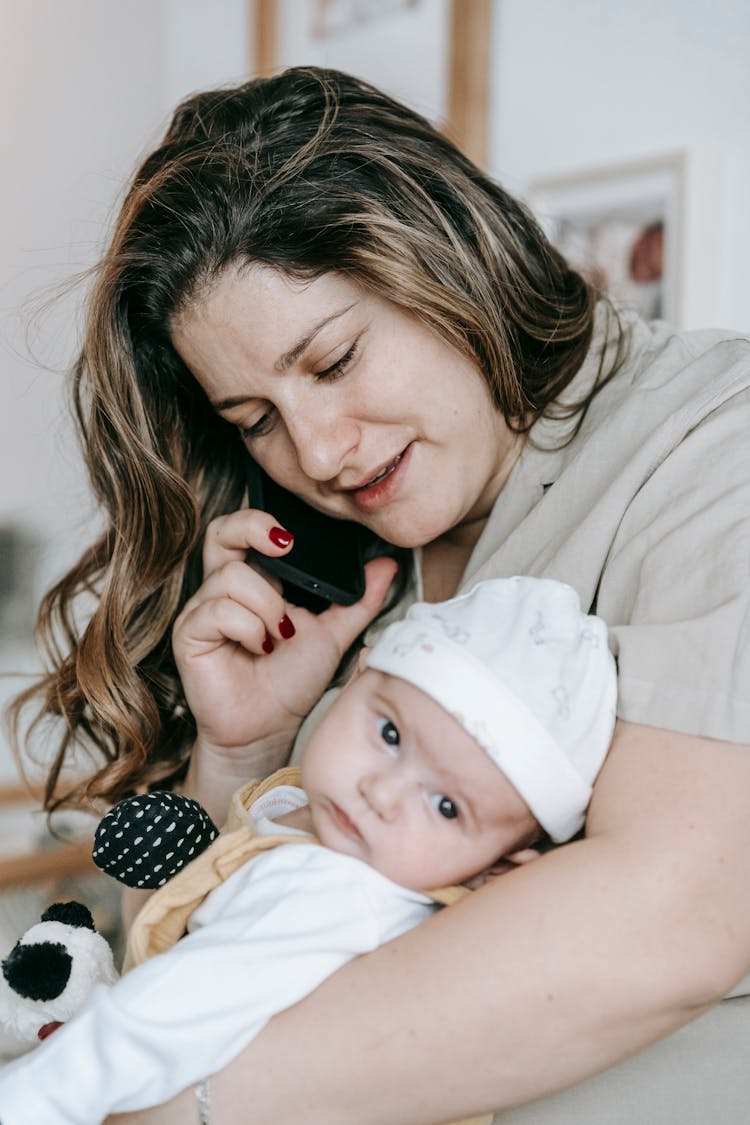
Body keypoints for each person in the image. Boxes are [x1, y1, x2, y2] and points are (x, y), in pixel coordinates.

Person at [8, 66, 750, 1125]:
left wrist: (175, 1108)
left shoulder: (715, 442)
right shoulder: (338, 575)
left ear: (445, 256)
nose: (316, 452)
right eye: (253, 417)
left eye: (336, 360)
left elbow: (678, 915)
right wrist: (244, 751)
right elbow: (202, 956)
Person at [0, 578, 617, 1124]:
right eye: (391, 734)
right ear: (359, 674)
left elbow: (160, 1018)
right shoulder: (308, 822)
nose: (381, 792)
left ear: (499, 870)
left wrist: (29, 1098)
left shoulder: (339, 891)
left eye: (447, 806)